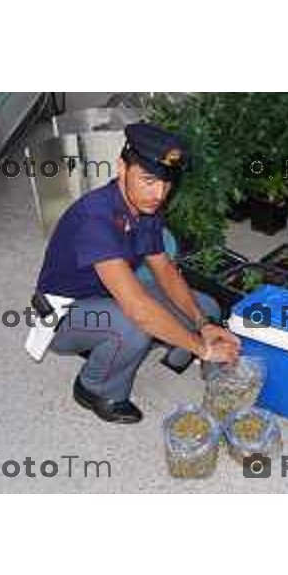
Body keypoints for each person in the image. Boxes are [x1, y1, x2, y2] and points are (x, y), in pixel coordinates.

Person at [34, 122, 241, 424]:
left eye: (166, 184)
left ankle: (174, 347)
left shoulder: (144, 206)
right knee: (134, 326)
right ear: (122, 167)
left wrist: (204, 324)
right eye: (148, 180)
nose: (159, 194)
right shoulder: (96, 218)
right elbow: (138, 309)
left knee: (206, 307)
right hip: (62, 315)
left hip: (110, 294)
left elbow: (165, 271)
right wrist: (201, 347)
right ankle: (96, 388)